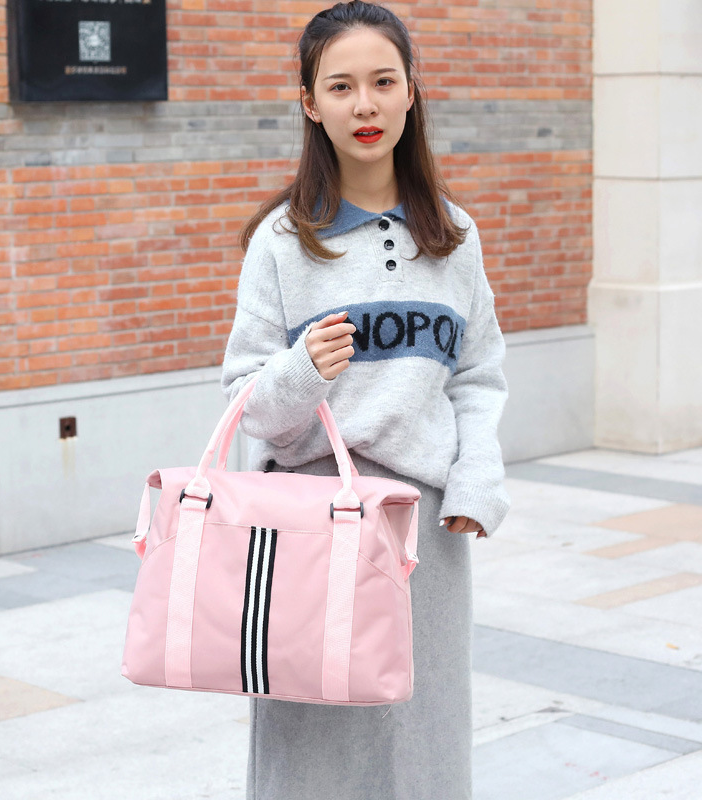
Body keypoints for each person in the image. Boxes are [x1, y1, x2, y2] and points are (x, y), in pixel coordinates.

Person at [220, 2, 510, 797]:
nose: (365, 104)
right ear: (310, 102)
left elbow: (478, 376)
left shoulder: (453, 235)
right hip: (309, 522)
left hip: (423, 528)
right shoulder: (282, 241)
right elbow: (246, 400)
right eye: (341, 86)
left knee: (423, 732)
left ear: (412, 91)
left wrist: (476, 482)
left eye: (383, 81)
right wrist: (301, 370)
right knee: (312, 734)